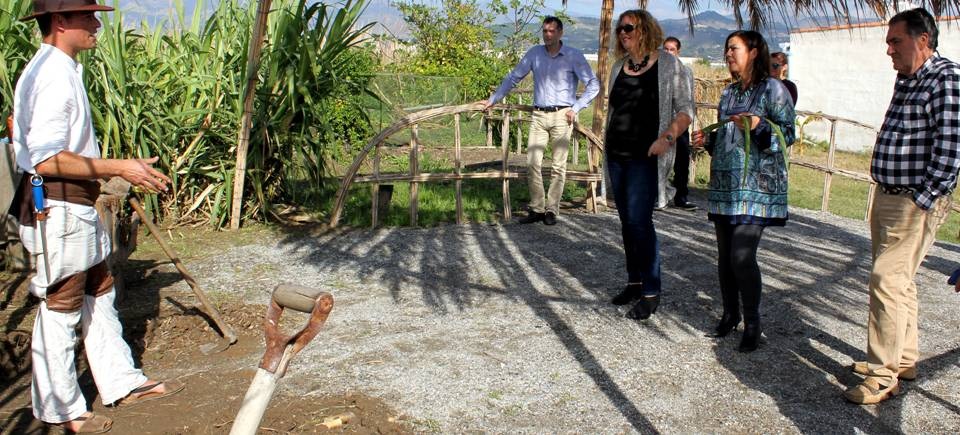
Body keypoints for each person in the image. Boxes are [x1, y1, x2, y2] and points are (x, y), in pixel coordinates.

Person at [12, 0, 184, 431]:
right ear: (59, 22)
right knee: (63, 303)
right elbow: (47, 159)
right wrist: (118, 167)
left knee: (99, 289)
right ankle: (61, 409)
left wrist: (118, 170)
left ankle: (121, 381)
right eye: (87, 16)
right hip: (58, 207)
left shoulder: (63, 68)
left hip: (77, 205)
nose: (96, 24)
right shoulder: (51, 75)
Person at [843, 8, 959, 405]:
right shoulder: (907, 78)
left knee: (886, 279)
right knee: (899, 281)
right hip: (889, 194)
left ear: (923, 39)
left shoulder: (946, 77)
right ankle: (904, 358)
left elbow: (951, 149)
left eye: (896, 41)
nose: (889, 49)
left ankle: (882, 375)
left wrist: (922, 201)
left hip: (914, 200)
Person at [691, 30, 795, 352]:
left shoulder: (774, 90)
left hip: (757, 188)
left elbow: (787, 136)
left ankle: (753, 322)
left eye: (733, 48)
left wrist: (760, 128)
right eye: (726, 49)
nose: (728, 54)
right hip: (726, 185)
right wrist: (707, 140)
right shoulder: (729, 94)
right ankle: (729, 314)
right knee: (725, 257)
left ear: (753, 52)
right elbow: (727, 139)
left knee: (741, 255)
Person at [605, 10, 692, 320]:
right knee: (627, 223)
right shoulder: (618, 67)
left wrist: (666, 139)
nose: (623, 33)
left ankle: (651, 291)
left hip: (646, 158)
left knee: (640, 223)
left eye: (629, 27)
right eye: (620, 29)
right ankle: (635, 281)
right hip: (617, 156)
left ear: (645, 30)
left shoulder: (669, 65)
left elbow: (685, 111)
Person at [483, 16, 600, 226]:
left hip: (562, 115)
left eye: (552, 31)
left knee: (558, 165)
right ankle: (537, 208)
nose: (548, 35)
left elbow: (593, 84)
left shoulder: (573, 55)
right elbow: (513, 77)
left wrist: (576, 107)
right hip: (538, 115)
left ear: (560, 33)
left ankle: (552, 210)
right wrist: (494, 99)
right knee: (532, 162)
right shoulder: (534, 54)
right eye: (545, 31)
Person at [662, 36, 698, 211]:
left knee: (682, 160)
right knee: (659, 159)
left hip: (681, 121)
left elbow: (690, 98)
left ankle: (681, 196)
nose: (668, 52)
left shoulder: (686, 71)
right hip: (663, 121)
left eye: (672, 49)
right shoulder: (658, 70)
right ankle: (659, 194)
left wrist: (690, 118)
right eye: (665, 49)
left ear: (678, 52)